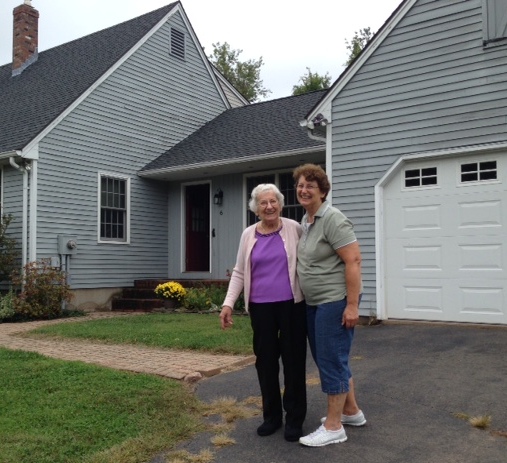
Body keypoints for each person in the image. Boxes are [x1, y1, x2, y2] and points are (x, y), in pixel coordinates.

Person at [220, 183, 307, 442]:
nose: (269, 206)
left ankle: (294, 418)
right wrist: (227, 303)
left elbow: (309, 262)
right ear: (255, 208)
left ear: (280, 204)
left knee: (293, 362)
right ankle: (271, 416)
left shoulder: (295, 229)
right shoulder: (248, 234)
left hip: (292, 306)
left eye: (273, 201)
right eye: (263, 203)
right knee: (266, 363)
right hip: (261, 308)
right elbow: (239, 271)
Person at [293, 164, 366, 447]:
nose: (304, 190)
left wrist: (351, 306)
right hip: (315, 303)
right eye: (301, 185)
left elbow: (354, 260)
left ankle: (334, 427)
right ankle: (351, 412)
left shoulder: (333, 218)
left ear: (323, 191)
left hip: (334, 302)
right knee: (332, 357)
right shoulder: (307, 221)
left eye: (311, 185)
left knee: (331, 359)